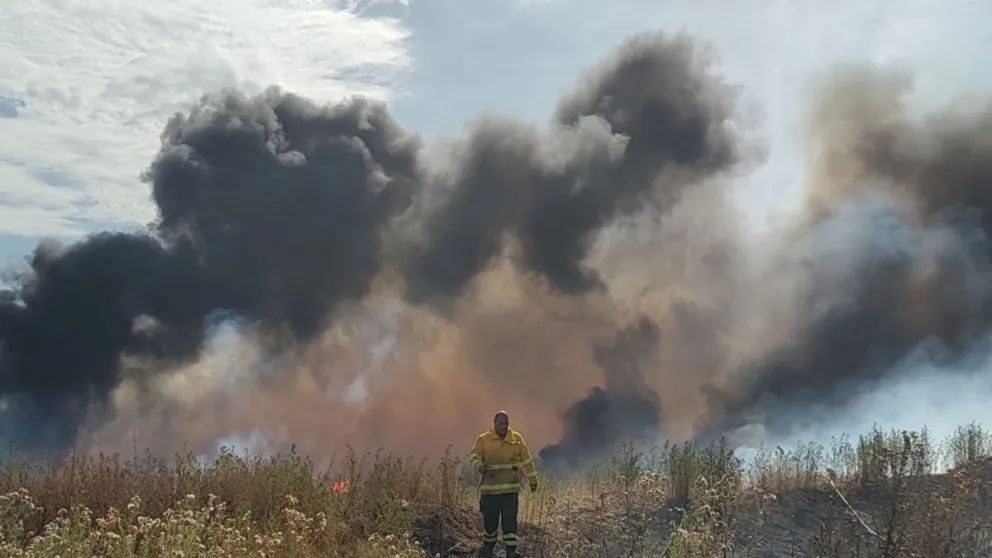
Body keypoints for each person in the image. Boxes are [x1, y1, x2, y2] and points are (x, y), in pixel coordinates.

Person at [469, 410, 539, 558]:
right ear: (494, 423)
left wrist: (533, 480)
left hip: (510, 491)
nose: (504, 427)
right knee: (490, 524)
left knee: (510, 523)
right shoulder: (484, 439)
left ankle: (511, 552)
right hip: (490, 492)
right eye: (501, 423)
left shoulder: (516, 439)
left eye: (506, 424)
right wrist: (479, 466)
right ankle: (488, 551)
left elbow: (527, 460)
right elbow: (474, 456)